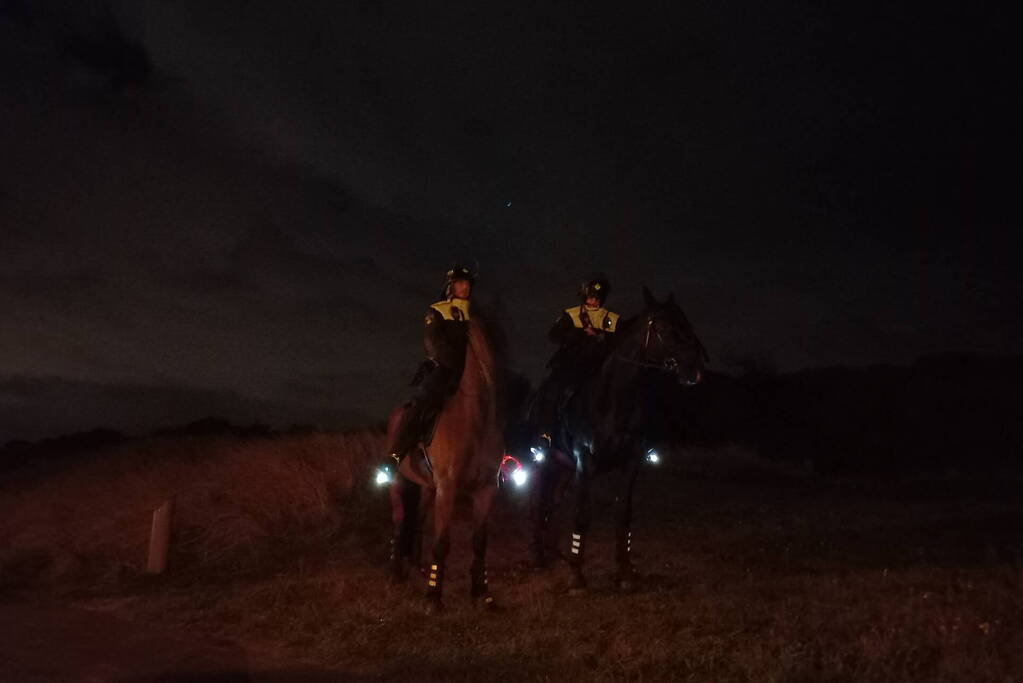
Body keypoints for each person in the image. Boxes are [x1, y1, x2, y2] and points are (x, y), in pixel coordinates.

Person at [377, 265, 475, 482]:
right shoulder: (438, 310)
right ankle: (394, 456)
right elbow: (434, 343)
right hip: (446, 369)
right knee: (422, 401)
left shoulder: (476, 315)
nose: (465, 287)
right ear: (450, 286)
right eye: (460, 283)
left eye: (467, 283)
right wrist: (455, 365)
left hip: (474, 373)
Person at [531, 275, 619, 454]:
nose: (593, 300)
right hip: (570, 364)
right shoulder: (571, 314)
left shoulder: (610, 318)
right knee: (551, 390)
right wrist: (579, 335)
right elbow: (554, 335)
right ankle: (545, 434)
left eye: (597, 297)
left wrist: (601, 338)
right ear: (585, 296)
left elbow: (618, 341)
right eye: (591, 296)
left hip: (598, 365)